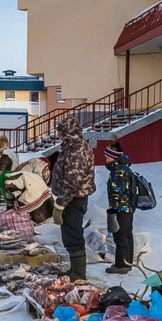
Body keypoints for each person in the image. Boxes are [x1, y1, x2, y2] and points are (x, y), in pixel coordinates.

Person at [50, 117, 96, 281]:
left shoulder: (76, 151)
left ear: (69, 134)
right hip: (71, 198)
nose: (60, 137)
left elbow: (72, 183)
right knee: (69, 234)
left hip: (73, 199)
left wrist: (60, 206)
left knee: (74, 234)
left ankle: (78, 273)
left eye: (62, 134)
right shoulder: (72, 147)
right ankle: (73, 269)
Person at [103, 142, 135, 274]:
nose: (105, 160)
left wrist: (112, 211)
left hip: (121, 209)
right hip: (128, 208)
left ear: (114, 157)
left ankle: (121, 265)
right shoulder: (124, 168)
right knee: (127, 235)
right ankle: (127, 263)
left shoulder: (119, 170)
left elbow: (117, 192)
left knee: (120, 235)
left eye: (107, 158)